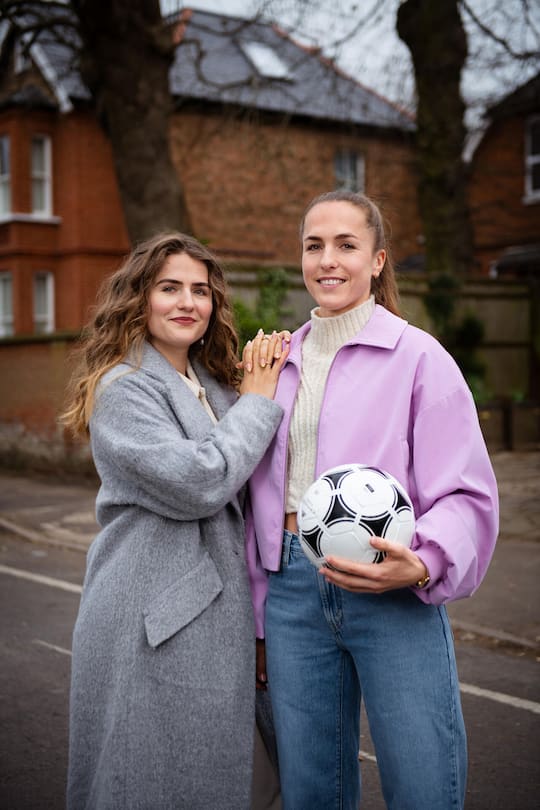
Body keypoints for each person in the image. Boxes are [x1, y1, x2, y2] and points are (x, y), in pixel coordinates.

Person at [246, 191, 499, 810]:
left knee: (422, 783)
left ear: (378, 260)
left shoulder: (420, 358)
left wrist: (427, 559)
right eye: (313, 245)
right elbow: (247, 491)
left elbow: (466, 489)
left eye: (346, 245)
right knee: (311, 790)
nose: (327, 260)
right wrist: (259, 614)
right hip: (291, 593)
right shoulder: (273, 363)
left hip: (392, 588)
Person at [62, 232, 288, 810]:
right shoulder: (122, 387)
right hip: (152, 614)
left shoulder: (213, 384)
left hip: (219, 614)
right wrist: (260, 402)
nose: (188, 302)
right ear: (138, 299)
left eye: (200, 290)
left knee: (230, 780)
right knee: (148, 778)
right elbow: (201, 481)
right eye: (169, 288)